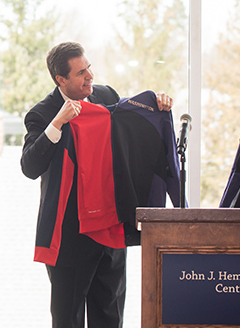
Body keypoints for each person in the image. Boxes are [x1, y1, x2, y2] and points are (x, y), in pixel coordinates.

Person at [21, 42, 172, 328]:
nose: (90, 76)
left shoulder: (106, 95)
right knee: (68, 320)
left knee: (110, 317)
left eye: (89, 67)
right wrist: (57, 124)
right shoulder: (42, 114)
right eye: (81, 73)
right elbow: (29, 166)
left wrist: (158, 102)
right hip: (69, 238)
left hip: (112, 231)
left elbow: (136, 118)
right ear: (60, 80)